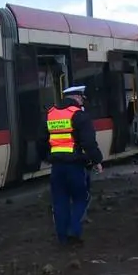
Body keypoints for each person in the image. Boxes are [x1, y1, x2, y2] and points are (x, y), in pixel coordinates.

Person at [38, 85, 103, 246]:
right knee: (82, 198)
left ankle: (62, 237)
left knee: (60, 201)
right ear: (77, 98)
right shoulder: (79, 116)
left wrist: (46, 157)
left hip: (57, 167)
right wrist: (97, 161)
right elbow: (89, 142)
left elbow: (40, 141)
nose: (82, 101)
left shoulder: (50, 115)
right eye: (82, 98)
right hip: (76, 166)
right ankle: (74, 230)